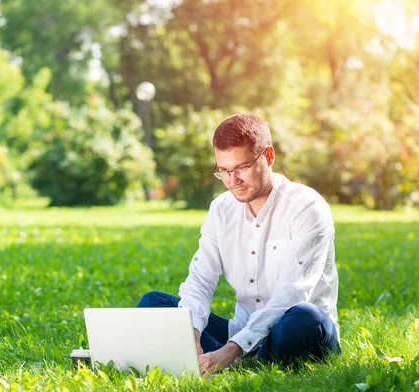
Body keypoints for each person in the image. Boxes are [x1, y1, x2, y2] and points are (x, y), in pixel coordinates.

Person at [137, 114, 340, 376]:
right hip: (242, 333)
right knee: (154, 303)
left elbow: (290, 295)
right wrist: (192, 334)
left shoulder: (307, 208)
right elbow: (199, 281)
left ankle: (235, 361)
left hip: (297, 331)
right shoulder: (221, 210)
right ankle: (231, 361)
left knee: (303, 318)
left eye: (242, 167)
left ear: (268, 156)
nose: (233, 181)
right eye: (224, 170)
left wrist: (231, 349)